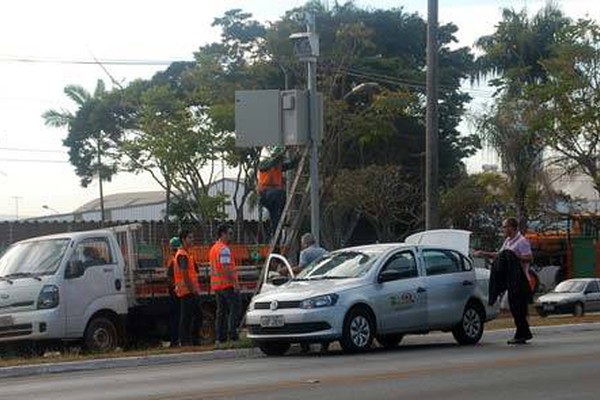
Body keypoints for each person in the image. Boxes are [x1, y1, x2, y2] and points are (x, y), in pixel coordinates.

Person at [473, 217, 534, 345]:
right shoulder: (508, 241)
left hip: (520, 280)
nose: (503, 229)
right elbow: (500, 255)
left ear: (512, 228)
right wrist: (484, 253)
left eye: (505, 227)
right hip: (511, 280)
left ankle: (522, 334)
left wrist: (515, 256)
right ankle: (523, 332)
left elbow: (529, 257)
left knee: (519, 309)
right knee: (514, 307)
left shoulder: (522, 241)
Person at [209, 224, 241, 345]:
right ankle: (232, 334)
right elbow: (226, 268)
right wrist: (235, 283)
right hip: (227, 285)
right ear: (223, 234)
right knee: (234, 309)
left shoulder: (214, 249)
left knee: (221, 312)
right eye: (229, 233)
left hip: (217, 286)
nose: (231, 236)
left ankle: (220, 337)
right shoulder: (224, 249)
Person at [257, 147, 298, 236]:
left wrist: (298, 156)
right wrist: (283, 152)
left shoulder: (279, 166)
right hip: (265, 194)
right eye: (280, 160)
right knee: (281, 193)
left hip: (273, 196)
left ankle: (277, 232)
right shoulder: (264, 164)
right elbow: (272, 162)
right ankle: (279, 222)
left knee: (275, 215)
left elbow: (291, 165)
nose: (281, 163)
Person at [173, 230, 201, 346]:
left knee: (193, 316)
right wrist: (192, 289)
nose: (192, 240)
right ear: (183, 240)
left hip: (188, 290)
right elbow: (184, 274)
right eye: (190, 238)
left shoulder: (186, 253)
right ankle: (186, 340)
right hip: (187, 291)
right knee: (188, 317)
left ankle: (190, 340)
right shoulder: (182, 255)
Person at [166, 236, 182, 347]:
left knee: (175, 317)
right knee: (177, 317)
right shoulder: (175, 260)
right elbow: (171, 278)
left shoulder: (172, 260)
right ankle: (175, 340)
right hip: (176, 292)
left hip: (174, 292)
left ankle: (175, 340)